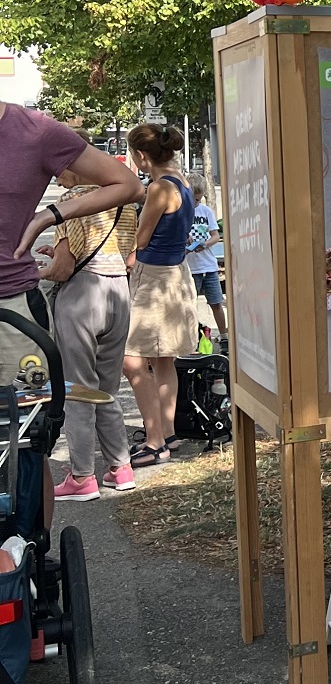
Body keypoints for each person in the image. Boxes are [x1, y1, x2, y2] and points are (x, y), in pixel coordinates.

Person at [2, 107, 142, 390]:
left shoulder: (34, 130)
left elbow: (127, 184)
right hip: (102, 292)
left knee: (20, 428)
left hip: (11, 305)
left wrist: (49, 215)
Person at [43, 167, 140, 499]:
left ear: (72, 168)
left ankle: (82, 476)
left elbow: (63, 268)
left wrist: (36, 270)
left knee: (78, 389)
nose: (56, 180)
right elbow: (129, 256)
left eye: (58, 172)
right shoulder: (124, 202)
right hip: (119, 291)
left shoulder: (72, 201)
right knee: (107, 388)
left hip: (83, 296)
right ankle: (120, 467)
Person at [121, 122, 198, 467]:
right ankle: (167, 432)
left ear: (140, 156)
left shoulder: (158, 188)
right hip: (177, 274)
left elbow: (141, 238)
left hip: (153, 279)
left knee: (132, 358)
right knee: (164, 359)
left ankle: (155, 441)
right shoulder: (182, 180)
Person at [185, 176, 228, 341]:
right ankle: (194, 336)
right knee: (190, 304)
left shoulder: (206, 211)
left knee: (216, 302)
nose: (196, 202)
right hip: (191, 267)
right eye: (193, 199)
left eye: (198, 199)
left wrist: (205, 244)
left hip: (208, 265)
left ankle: (223, 335)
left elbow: (215, 235)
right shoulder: (182, 211)